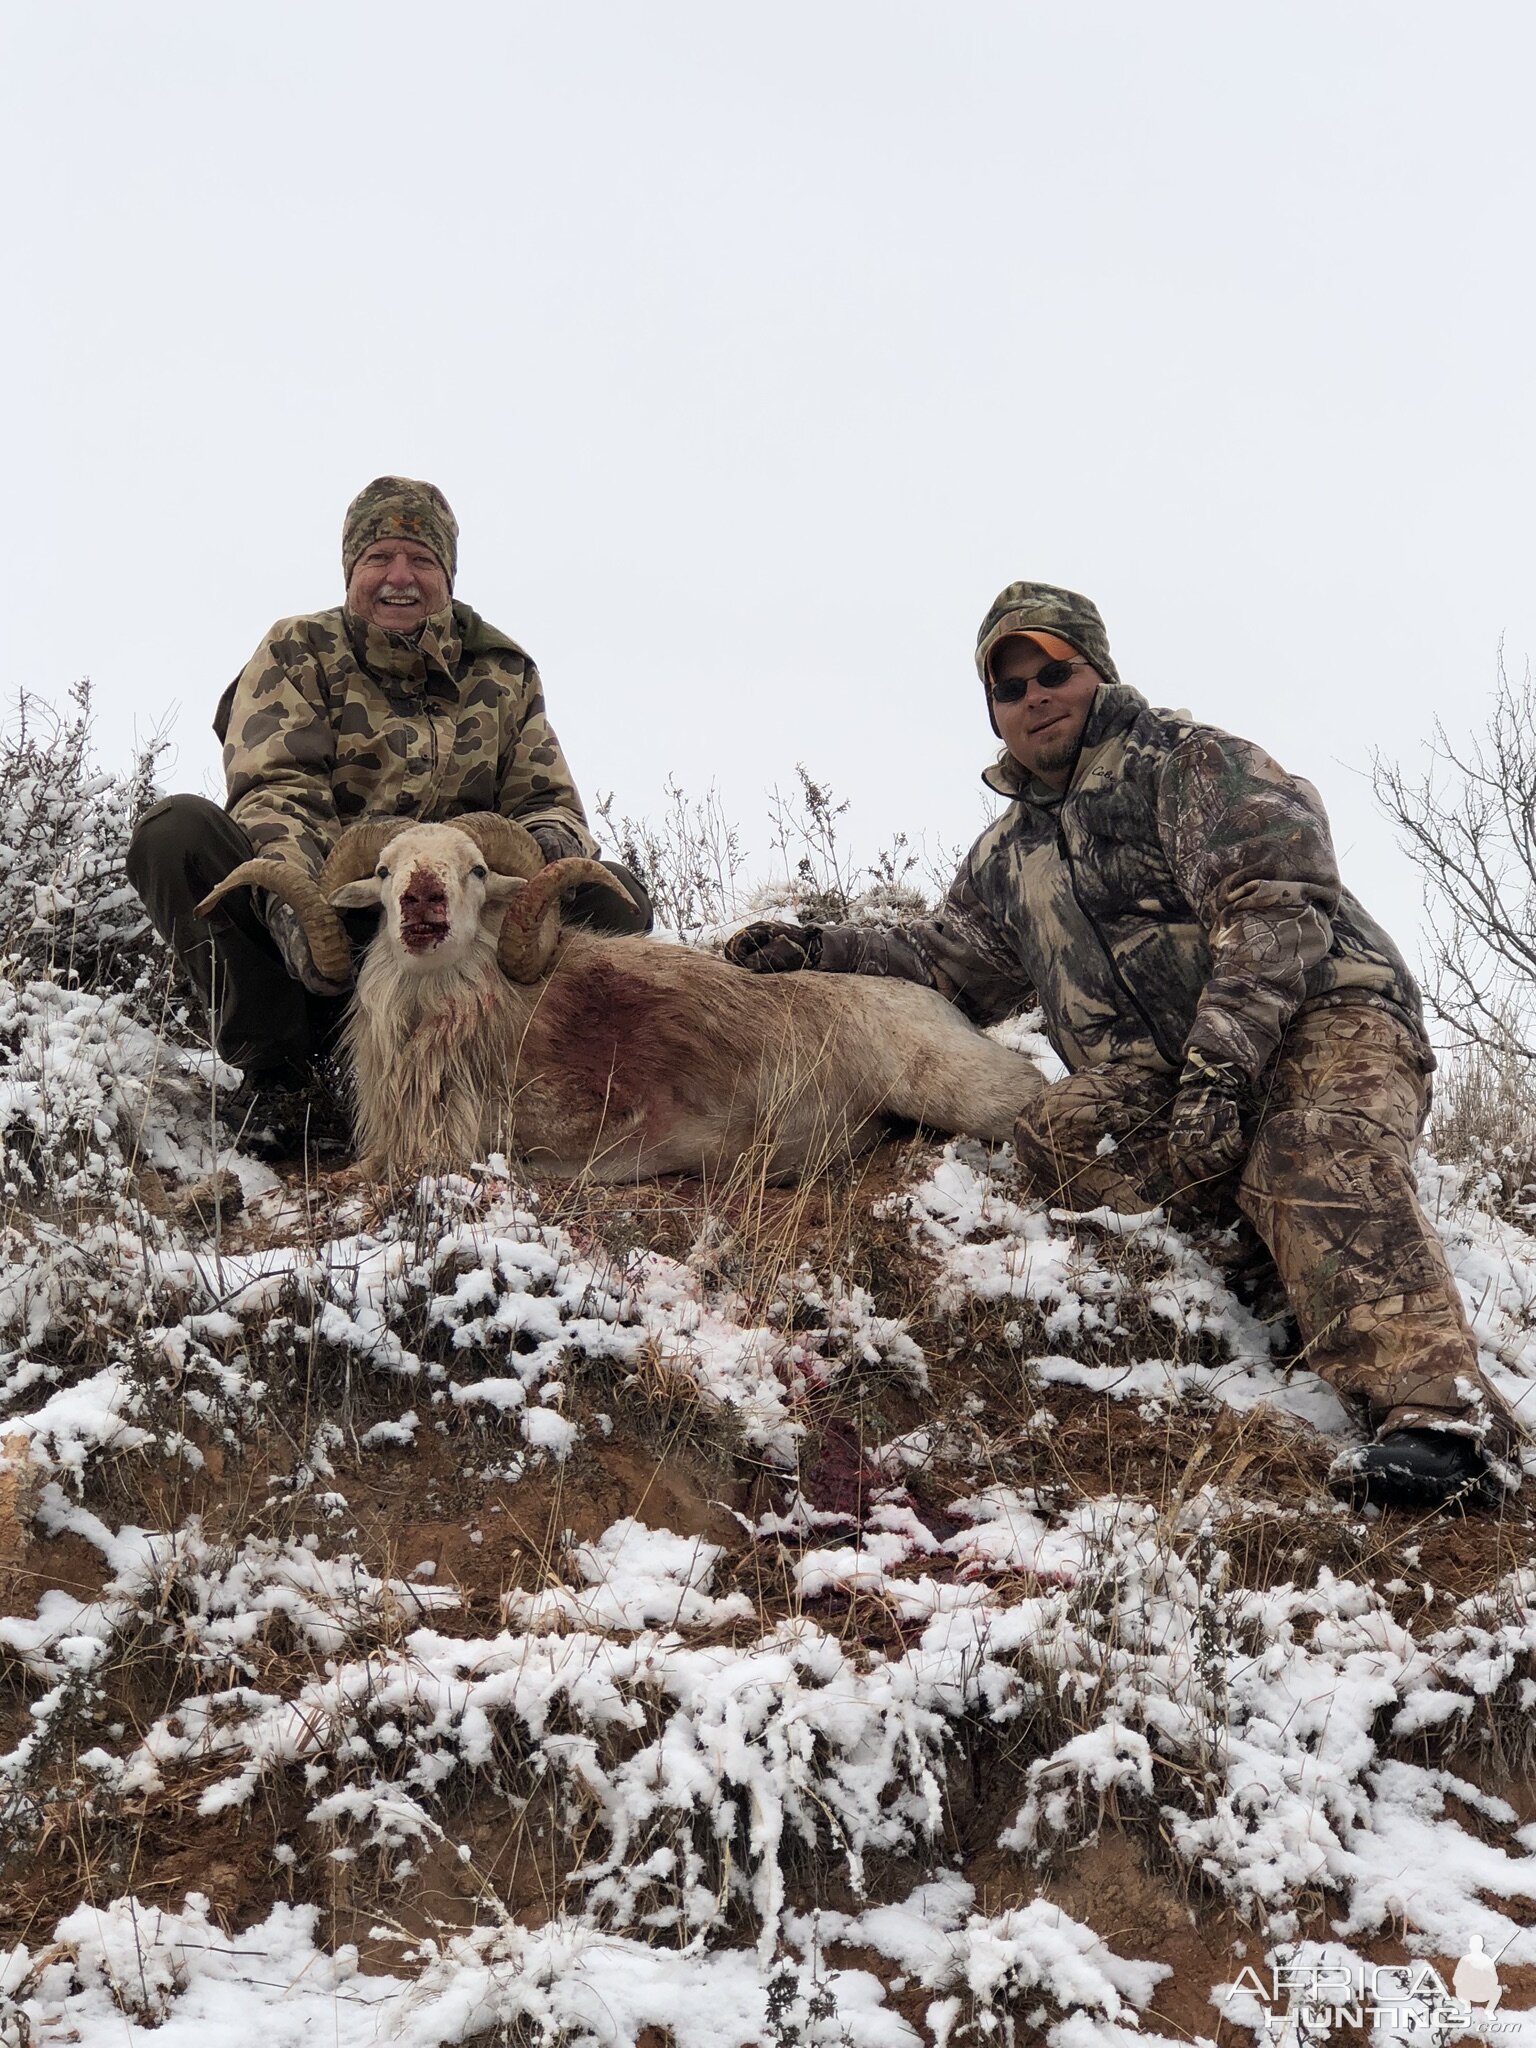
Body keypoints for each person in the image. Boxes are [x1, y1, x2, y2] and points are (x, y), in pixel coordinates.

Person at [726, 581, 1524, 1511]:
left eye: (1052, 671)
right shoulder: (1008, 857)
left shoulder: (1193, 769)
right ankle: (1275, 1271)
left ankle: (1443, 1424)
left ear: (1097, 671)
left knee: (1305, 1148)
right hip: (1168, 1074)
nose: (1034, 697)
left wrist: (1223, 1069)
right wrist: (820, 952)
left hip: (1324, 1015)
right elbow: (946, 967)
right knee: (1058, 1127)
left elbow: (1278, 906)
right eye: (1009, 686)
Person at [128, 476, 649, 1146]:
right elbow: (277, 791)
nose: (399, 577)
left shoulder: (503, 672)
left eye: (421, 561)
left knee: (617, 900)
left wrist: (540, 870)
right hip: (334, 928)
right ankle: (283, 1075)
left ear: (446, 577)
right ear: (352, 571)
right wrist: (298, 914)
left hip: (464, 935)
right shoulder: (299, 651)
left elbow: (547, 801)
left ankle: (525, 1064)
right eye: (379, 558)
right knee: (177, 833)